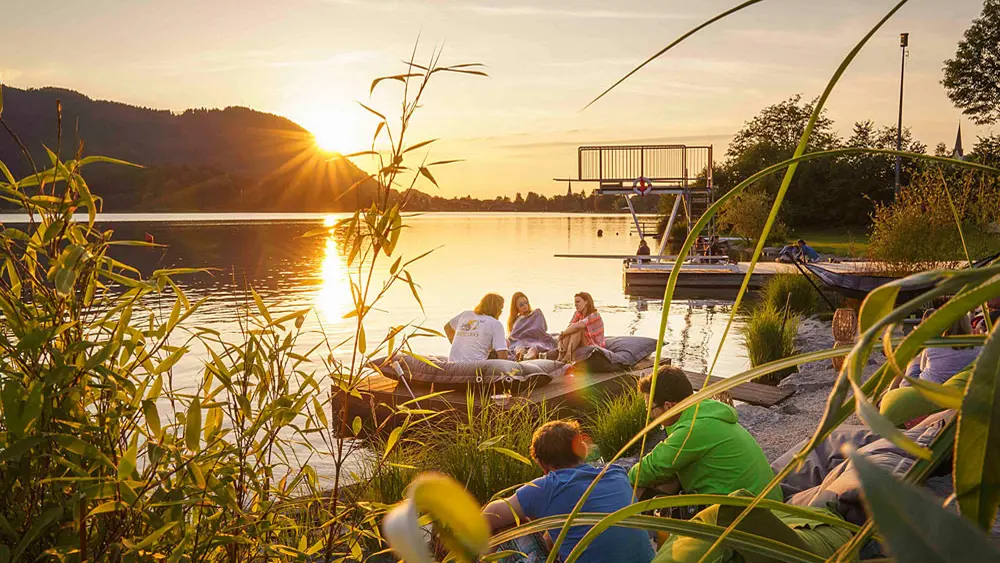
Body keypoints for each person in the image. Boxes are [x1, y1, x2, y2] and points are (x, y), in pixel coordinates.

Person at [482, 420, 655, 563]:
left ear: (542, 463)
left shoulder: (548, 486)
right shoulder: (615, 472)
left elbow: (490, 514)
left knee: (508, 524)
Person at [627, 366, 782, 502]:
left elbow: (649, 469)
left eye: (650, 409)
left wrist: (622, 477)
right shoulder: (705, 411)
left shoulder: (692, 430)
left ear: (668, 406)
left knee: (636, 491)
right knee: (671, 480)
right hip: (764, 501)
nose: (650, 416)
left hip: (749, 514)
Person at [895, 310, 979, 387]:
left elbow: (922, 368)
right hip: (956, 389)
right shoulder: (979, 347)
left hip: (926, 388)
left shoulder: (934, 345)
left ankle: (895, 389)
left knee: (914, 359)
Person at [444, 293, 509, 362]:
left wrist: (459, 346)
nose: (501, 312)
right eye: (501, 308)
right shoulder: (496, 324)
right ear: (496, 309)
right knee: (506, 342)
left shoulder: (465, 314)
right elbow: (503, 356)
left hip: (453, 364)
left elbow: (447, 328)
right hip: (475, 366)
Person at [507, 292, 557, 360]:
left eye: (526, 303)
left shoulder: (536, 314)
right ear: (516, 307)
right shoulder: (516, 320)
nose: (525, 306)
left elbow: (542, 328)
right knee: (519, 347)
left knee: (534, 347)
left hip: (535, 339)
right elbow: (515, 334)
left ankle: (528, 357)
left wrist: (530, 331)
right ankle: (520, 356)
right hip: (521, 341)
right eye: (521, 305)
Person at [557, 292, 605, 363]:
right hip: (582, 341)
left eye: (578, 302)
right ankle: (560, 356)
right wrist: (560, 340)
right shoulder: (577, 313)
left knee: (578, 329)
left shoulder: (595, 316)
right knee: (571, 329)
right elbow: (569, 327)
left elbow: (578, 326)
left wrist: (562, 334)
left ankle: (568, 356)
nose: (575, 305)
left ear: (586, 302)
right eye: (575, 302)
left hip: (594, 345)